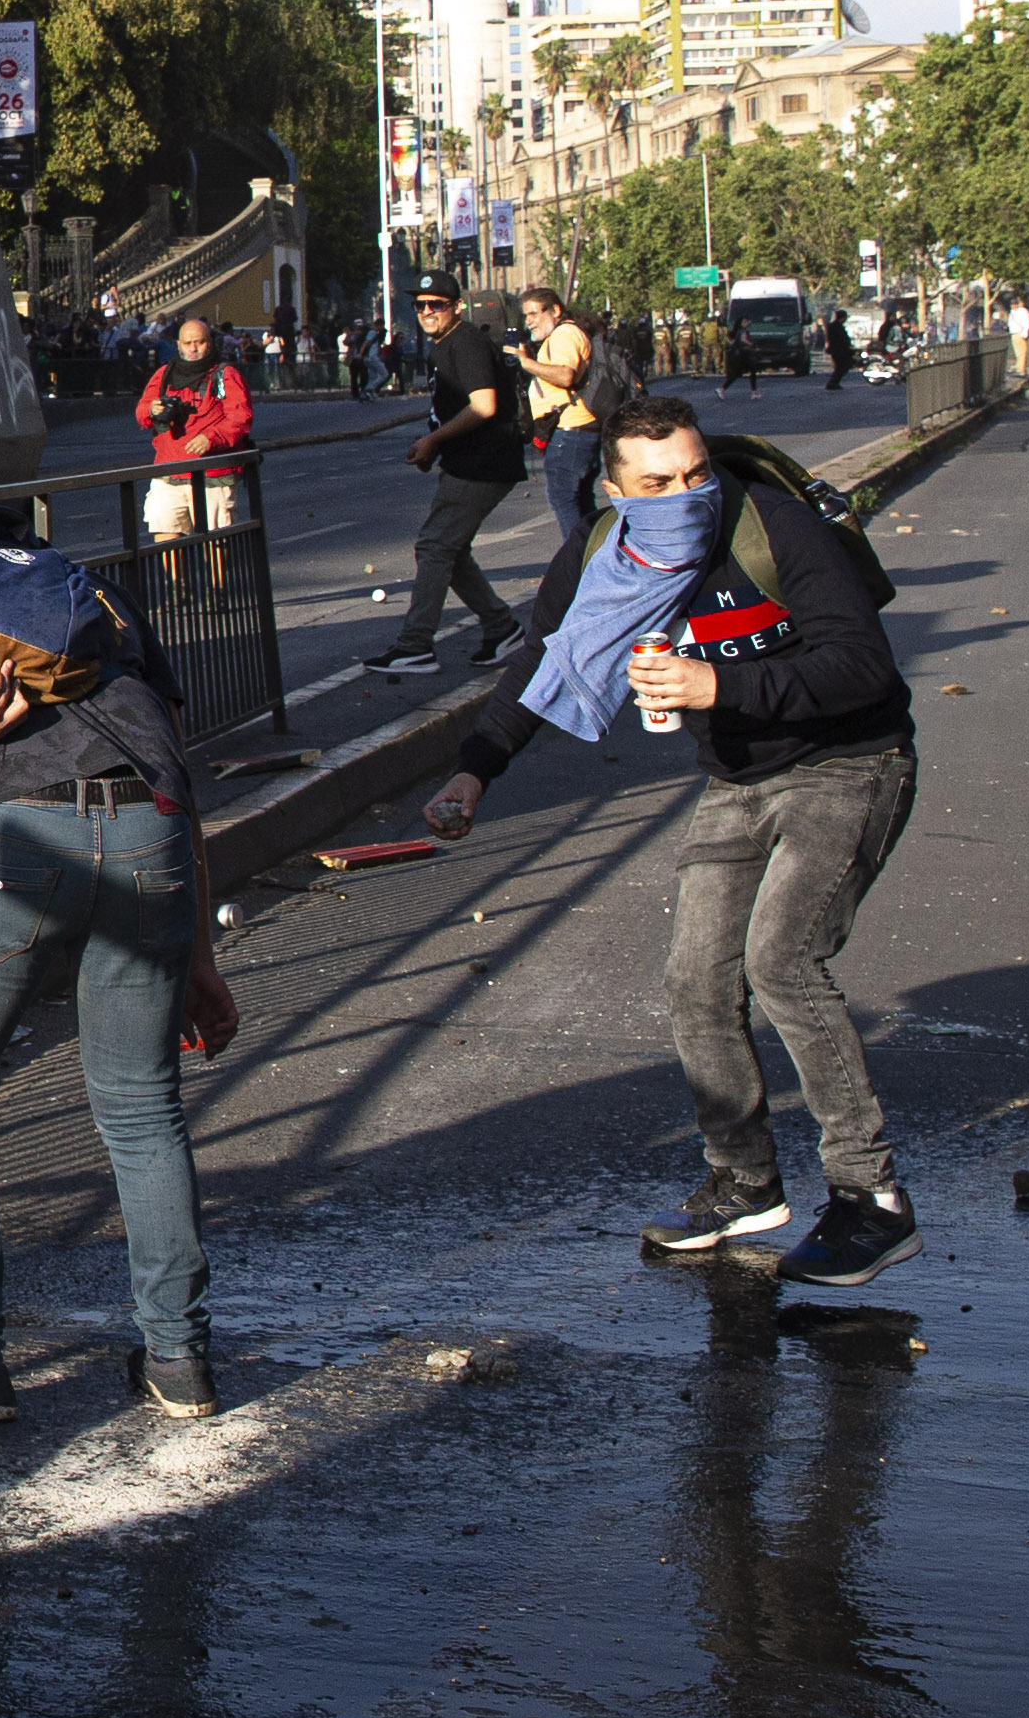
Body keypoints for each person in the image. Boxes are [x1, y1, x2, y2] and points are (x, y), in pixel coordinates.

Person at [421, 395, 924, 1286]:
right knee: (696, 978)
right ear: (614, 491)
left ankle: (869, 1198)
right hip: (738, 776)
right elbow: (541, 655)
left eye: (696, 475)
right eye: (657, 483)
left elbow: (863, 667)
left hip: (851, 762)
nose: (684, 495)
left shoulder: (773, 527)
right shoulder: (603, 558)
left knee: (783, 962)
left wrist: (716, 687)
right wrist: (474, 771)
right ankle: (743, 1180)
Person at [0, 508, 236, 1433]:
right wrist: (201, 958)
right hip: (147, 829)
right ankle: (179, 1362)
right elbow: (178, 770)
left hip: (15, 833)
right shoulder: (98, 600)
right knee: (143, 1102)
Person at [375, 276, 525, 677]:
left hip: (484, 463)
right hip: (470, 460)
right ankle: (501, 627)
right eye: (420, 306)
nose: (426, 312)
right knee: (450, 549)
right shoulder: (445, 346)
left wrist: (435, 440)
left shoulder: (467, 343)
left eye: (436, 305)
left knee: (434, 547)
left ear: (456, 307)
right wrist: (436, 444)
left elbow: (484, 405)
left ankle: (415, 646)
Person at [130, 316, 254, 592]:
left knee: (216, 537)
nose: (194, 348)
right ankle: (178, 589)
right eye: (188, 343)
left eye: (199, 342)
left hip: (213, 472)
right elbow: (141, 411)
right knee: (165, 529)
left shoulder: (225, 375)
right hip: (168, 470)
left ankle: (216, 592)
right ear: (179, 344)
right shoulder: (163, 375)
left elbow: (240, 417)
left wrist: (210, 438)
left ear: (209, 343)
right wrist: (153, 411)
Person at [514, 283, 606, 540]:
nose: (529, 321)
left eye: (534, 313)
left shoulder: (565, 333)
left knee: (564, 500)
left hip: (571, 432)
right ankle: (589, 557)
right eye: (526, 315)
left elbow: (566, 375)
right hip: (574, 430)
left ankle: (577, 560)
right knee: (580, 502)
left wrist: (527, 364)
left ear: (554, 310)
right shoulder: (562, 335)